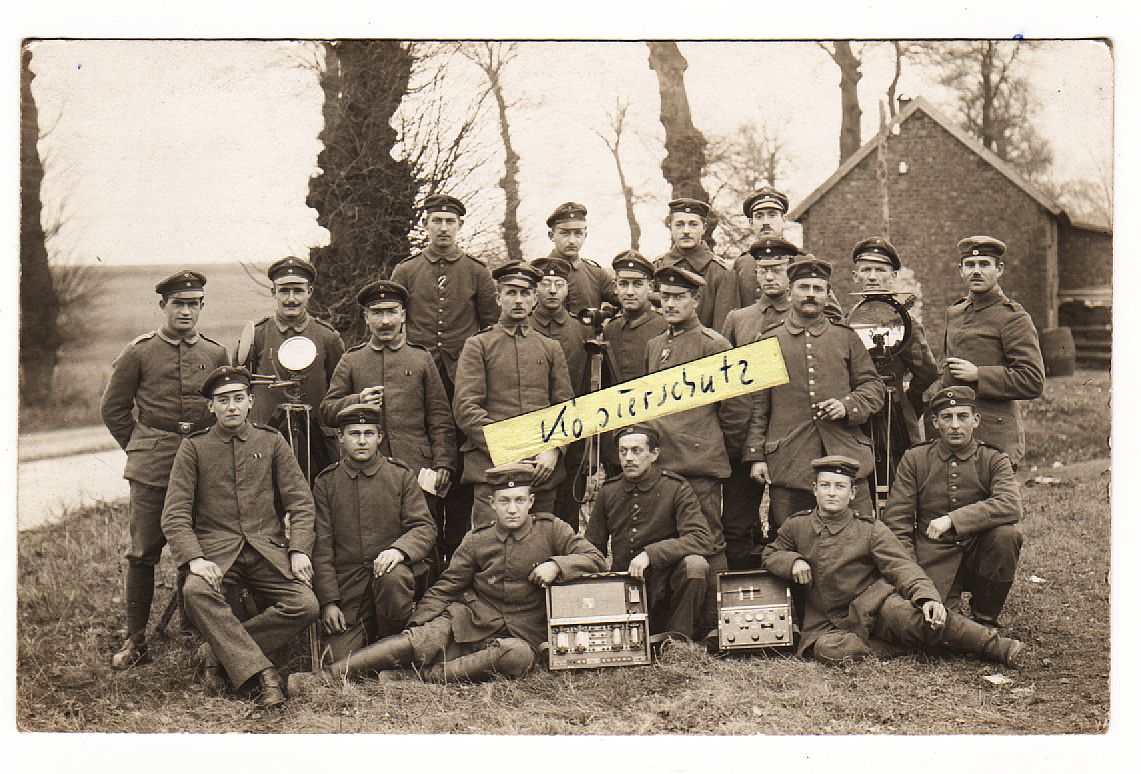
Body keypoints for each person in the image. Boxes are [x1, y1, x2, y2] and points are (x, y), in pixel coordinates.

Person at [287, 463, 605, 694]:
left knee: (518, 657)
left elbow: (596, 559)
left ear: (531, 502)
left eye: (519, 500)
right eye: (504, 501)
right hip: (471, 621)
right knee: (414, 642)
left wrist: (557, 565)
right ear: (492, 504)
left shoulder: (552, 531)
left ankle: (420, 678)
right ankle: (321, 678)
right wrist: (418, 624)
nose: (512, 509)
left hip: (522, 634)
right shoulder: (477, 539)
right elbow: (446, 587)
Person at [762, 456, 1025, 667]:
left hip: (874, 605)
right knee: (828, 650)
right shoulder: (797, 525)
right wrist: (793, 562)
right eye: (826, 486)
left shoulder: (870, 529)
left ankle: (995, 646)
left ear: (852, 493)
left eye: (840, 487)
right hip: (826, 622)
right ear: (814, 490)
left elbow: (902, 566)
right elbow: (771, 554)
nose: (832, 493)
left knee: (916, 619)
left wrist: (927, 598)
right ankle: (907, 646)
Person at [161, 366, 320, 708]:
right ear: (211, 407)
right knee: (195, 591)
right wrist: (195, 559)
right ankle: (265, 674)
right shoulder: (194, 448)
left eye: (237, 399)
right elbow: (175, 514)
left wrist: (299, 550)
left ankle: (215, 652)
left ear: (250, 402)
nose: (231, 407)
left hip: (267, 551)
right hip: (217, 554)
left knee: (305, 604)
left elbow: (301, 503)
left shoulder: (271, 441)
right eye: (223, 400)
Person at [100, 269, 229, 669]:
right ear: (163, 306)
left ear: (202, 307)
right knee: (143, 552)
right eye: (178, 304)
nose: (186, 311)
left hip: (201, 464)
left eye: (193, 304)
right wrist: (141, 447)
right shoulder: (139, 352)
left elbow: (221, 407)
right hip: (152, 466)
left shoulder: (215, 353)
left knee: (199, 547)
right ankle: (135, 639)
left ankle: (194, 630)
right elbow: (114, 408)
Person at [390, 194, 499, 556]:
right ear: (425, 225)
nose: (443, 228)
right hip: (418, 377)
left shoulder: (477, 272)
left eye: (450, 221)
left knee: (463, 456)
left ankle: (458, 544)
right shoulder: (406, 272)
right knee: (427, 454)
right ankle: (427, 544)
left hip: (464, 379)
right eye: (436, 220)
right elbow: (395, 323)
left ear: (460, 226)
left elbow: (490, 327)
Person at [320, 280, 456, 567]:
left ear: (403, 315)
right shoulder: (352, 360)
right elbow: (328, 411)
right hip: (366, 468)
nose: (385, 321)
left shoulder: (421, 359)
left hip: (418, 468)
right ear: (366, 317)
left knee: (425, 537)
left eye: (391, 312)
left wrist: (444, 462)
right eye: (377, 312)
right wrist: (356, 400)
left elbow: (440, 418)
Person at [645, 265, 751, 630]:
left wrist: (712, 447)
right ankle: (669, 621)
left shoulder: (713, 345)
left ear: (695, 300)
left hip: (698, 465)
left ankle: (715, 625)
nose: (670, 304)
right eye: (665, 297)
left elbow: (736, 409)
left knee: (708, 541)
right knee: (668, 541)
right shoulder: (655, 345)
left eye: (679, 297)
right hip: (662, 464)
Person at [744, 257, 885, 527]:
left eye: (818, 289)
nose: (811, 294)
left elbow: (873, 387)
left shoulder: (845, 337)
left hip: (845, 458)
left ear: (827, 294)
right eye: (804, 287)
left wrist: (847, 405)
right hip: (790, 461)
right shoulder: (769, 340)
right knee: (791, 536)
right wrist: (756, 456)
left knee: (859, 536)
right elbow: (758, 406)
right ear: (790, 291)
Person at [883, 386, 1023, 628]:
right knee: (936, 626)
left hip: (979, 554)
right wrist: (911, 573)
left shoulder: (994, 458)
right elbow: (897, 522)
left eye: (962, 417)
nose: (955, 425)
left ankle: (986, 616)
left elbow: (1010, 504)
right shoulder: (916, 459)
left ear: (975, 420)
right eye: (947, 417)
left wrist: (952, 520)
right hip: (932, 555)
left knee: (1006, 536)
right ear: (935, 422)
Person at [312, 404, 438, 662]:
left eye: (368, 433)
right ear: (341, 438)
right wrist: (329, 602)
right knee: (337, 662)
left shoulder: (400, 475)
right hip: (349, 589)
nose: (362, 441)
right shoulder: (326, 483)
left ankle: (393, 639)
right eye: (354, 434)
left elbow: (424, 527)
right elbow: (322, 548)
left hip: (392, 583)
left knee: (393, 578)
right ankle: (374, 643)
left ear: (380, 437)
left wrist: (399, 551)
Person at [453, 261, 574, 527]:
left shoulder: (550, 348)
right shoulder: (478, 345)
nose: (518, 300)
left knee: (541, 544)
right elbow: (466, 408)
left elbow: (564, 407)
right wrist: (510, 448)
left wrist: (553, 449)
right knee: (490, 546)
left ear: (534, 299)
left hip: (540, 472)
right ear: (498, 298)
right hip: (492, 470)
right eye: (511, 293)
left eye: (525, 293)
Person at [586, 425, 714, 641]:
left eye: (636, 451)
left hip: (666, 588)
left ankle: (677, 641)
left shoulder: (675, 488)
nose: (628, 458)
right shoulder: (609, 491)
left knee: (695, 566)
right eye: (623, 451)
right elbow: (592, 546)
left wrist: (650, 554)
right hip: (625, 585)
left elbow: (701, 538)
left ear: (654, 454)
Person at [718, 236, 800, 568]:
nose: (769, 276)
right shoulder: (739, 319)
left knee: (788, 523)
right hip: (743, 433)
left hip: (787, 431)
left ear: (790, 273)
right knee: (737, 526)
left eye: (777, 269)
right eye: (763, 270)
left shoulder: (801, 317)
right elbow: (725, 378)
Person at [941, 236, 1045, 469]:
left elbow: (1033, 380)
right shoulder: (955, 313)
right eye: (970, 265)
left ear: (999, 269)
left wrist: (979, 375)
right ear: (960, 270)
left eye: (984, 264)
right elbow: (944, 367)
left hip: (993, 438)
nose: (976, 271)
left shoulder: (1013, 317)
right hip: (954, 434)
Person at [239, 256, 345, 476]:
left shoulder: (328, 337)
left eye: (298, 291)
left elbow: (339, 391)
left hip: (316, 445)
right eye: (284, 291)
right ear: (273, 292)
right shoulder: (257, 335)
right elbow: (241, 386)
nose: (291, 299)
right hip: (264, 440)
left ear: (310, 291)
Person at [848, 237, 940, 476]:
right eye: (866, 270)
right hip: (856, 417)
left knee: (901, 479)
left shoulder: (907, 324)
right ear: (855, 276)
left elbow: (927, 373)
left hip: (896, 419)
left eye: (880, 270)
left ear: (893, 276)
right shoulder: (845, 323)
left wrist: (906, 404)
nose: (872, 277)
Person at [530, 256, 594, 529]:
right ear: (535, 289)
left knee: (568, 502)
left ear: (568, 288)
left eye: (559, 284)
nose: (553, 291)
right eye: (546, 284)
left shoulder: (581, 330)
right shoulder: (525, 327)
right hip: (530, 427)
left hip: (572, 426)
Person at [654, 198, 740, 331]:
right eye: (679, 224)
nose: (686, 231)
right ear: (670, 226)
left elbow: (724, 330)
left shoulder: (721, 272)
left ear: (704, 228)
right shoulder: (658, 267)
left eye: (693, 224)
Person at [601, 250, 668, 385]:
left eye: (637, 284)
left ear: (650, 287)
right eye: (624, 284)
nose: (630, 292)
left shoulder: (664, 326)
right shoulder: (611, 329)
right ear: (615, 287)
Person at [540, 201, 617, 314]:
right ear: (551, 236)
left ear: (585, 236)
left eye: (578, 234)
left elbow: (627, 300)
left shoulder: (596, 274)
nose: (572, 240)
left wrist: (608, 314)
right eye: (565, 233)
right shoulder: (538, 273)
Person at [731, 186, 792, 308]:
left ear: (783, 220)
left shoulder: (802, 259)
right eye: (759, 216)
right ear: (751, 223)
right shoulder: (742, 264)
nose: (765, 222)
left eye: (772, 215)